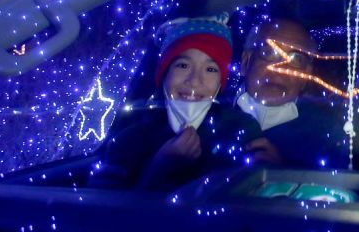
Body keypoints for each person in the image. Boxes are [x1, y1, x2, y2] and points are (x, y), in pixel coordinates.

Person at [92, 15, 260, 191]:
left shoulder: (240, 129)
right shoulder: (127, 140)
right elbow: (105, 212)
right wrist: (157, 169)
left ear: (220, 82)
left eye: (210, 69)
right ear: (164, 73)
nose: (195, 81)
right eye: (183, 66)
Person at [235, 16, 346, 167]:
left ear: (306, 74)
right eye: (269, 52)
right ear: (246, 61)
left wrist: (283, 174)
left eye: (296, 59)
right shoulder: (209, 116)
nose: (280, 69)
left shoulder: (326, 134)